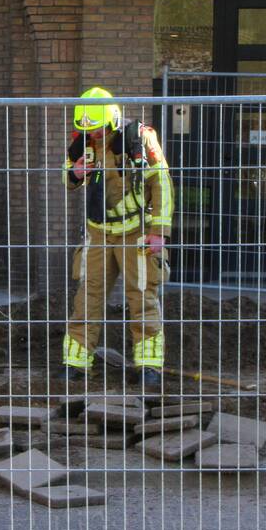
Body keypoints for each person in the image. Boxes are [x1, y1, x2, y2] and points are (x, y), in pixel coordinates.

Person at [60, 86, 174, 391]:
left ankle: (149, 367)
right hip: (98, 232)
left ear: (110, 120)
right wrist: (75, 173)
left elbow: (161, 182)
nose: (93, 134)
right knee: (88, 297)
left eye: (97, 128)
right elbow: (67, 177)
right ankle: (76, 365)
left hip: (135, 230)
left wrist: (159, 232)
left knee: (141, 297)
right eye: (87, 128)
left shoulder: (140, 139)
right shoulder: (82, 142)